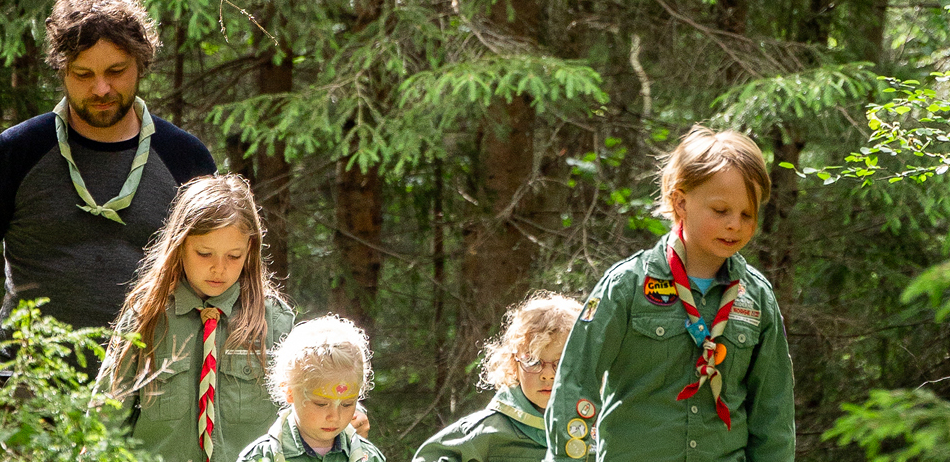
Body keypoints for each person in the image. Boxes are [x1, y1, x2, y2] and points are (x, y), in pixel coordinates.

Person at [0, 0, 217, 439]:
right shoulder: (18, 152)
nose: (101, 88)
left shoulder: (185, 158)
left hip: (153, 396)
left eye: (116, 70)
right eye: (83, 74)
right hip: (27, 392)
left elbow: (227, 272)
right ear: (62, 71)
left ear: (141, 64)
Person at [543, 126, 795, 461]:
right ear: (680, 202)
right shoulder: (627, 285)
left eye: (747, 214)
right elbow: (575, 381)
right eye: (721, 211)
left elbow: (773, 412)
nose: (735, 224)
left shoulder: (756, 298)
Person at [95, 174, 294, 462]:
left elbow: (306, 410)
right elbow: (106, 416)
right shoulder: (146, 315)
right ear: (180, 246)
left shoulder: (274, 321)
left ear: (250, 251)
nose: (219, 268)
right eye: (204, 253)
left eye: (234, 256)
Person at [413, 293, 584, 462]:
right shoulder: (486, 434)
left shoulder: (604, 429)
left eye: (562, 363)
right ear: (513, 364)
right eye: (532, 361)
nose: (547, 375)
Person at [238, 316, 387, 462]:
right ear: (289, 392)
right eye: (321, 404)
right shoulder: (260, 457)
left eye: (346, 404)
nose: (334, 417)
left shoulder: (368, 457)